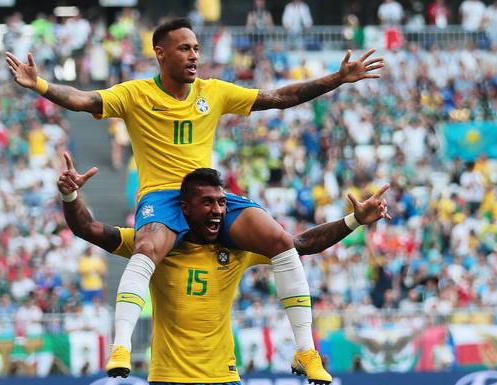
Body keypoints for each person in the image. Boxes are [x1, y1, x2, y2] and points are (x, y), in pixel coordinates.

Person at [6, 18, 384, 382]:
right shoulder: (136, 94)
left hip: (207, 194)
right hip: (163, 197)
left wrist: (338, 78)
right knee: (146, 247)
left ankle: (305, 351)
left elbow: (278, 97)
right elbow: (83, 99)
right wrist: (38, 83)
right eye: (184, 48)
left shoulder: (213, 92)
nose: (193, 56)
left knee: (282, 242)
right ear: (160, 53)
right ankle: (120, 347)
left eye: (197, 49)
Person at [57, 152, 391, 383]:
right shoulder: (155, 245)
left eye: (221, 202)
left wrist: (354, 220)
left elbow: (300, 244)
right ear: (185, 209)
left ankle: (306, 350)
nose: (218, 210)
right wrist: (71, 198)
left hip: (225, 375)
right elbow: (89, 228)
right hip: (167, 376)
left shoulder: (238, 249)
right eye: (207, 203)